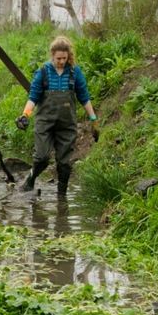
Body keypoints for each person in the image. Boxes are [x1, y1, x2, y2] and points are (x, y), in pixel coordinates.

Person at [16, 36, 98, 196]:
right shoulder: (43, 72)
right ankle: (31, 179)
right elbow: (33, 97)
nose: (61, 61)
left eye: (64, 58)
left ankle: (62, 197)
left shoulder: (74, 72)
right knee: (42, 157)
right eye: (58, 58)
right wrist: (25, 115)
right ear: (52, 55)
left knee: (65, 163)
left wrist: (93, 119)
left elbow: (84, 97)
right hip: (44, 123)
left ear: (68, 56)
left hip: (67, 125)